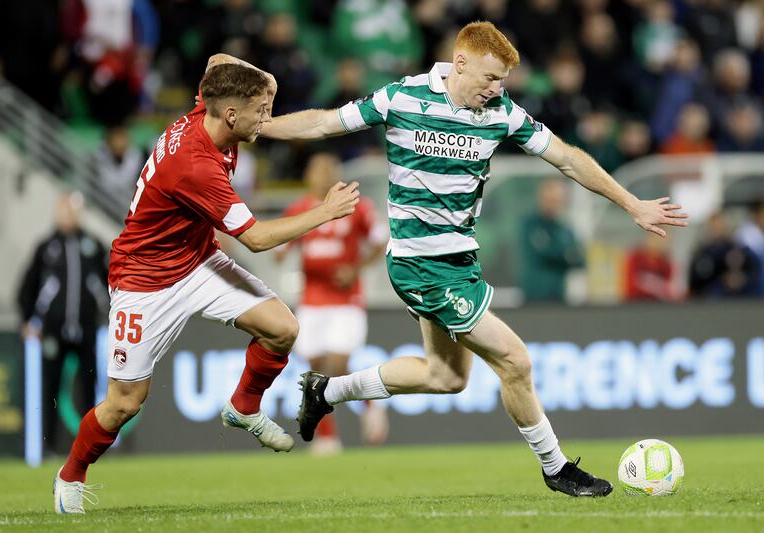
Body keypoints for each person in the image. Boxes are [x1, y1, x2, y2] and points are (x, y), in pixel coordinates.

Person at [259, 21, 688, 497]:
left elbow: (566, 158)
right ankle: (556, 467)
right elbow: (323, 122)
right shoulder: (401, 98)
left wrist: (632, 203)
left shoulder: (503, 112)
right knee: (516, 362)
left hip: (460, 261)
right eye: (489, 78)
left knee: (444, 378)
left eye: (502, 80)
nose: (497, 89)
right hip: (420, 263)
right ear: (459, 64)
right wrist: (259, 127)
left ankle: (326, 391)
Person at [53, 59, 361, 514]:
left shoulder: (210, 106)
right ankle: (70, 477)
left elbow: (218, 63)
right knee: (124, 403)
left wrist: (266, 85)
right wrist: (325, 212)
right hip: (144, 279)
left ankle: (243, 406)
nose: (267, 119)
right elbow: (255, 239)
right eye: (261, 110)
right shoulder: (196, 165)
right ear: (232, 115)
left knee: (282, 328)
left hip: (197, 259)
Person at [275, 151, 389, 454]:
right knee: (314, 370)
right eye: (317, 169)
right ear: (307, 176)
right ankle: (328, 436)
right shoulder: (298, 210)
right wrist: (281, 250)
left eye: (329, 169)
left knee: (337, 366)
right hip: (311, 301)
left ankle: (368, 408)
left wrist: (356, 268)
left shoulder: (358, 208)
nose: (323, 175)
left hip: (346, 300)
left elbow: (380, 240)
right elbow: (279, 247)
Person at [18, 192, 109, 456]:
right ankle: (48, 446)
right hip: (53, 333)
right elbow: (27, 288)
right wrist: (28, 320)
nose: (69, 215)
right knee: (50, 390)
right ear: (57, 213)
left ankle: (91, 447)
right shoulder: (46, 248)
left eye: (73, 210)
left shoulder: (93, 246)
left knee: (89, 390)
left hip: (87, 331)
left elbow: (109, 285)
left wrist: (112, 315)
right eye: (65, 210)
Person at [519, 178, 584, 303]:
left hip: (559, 296)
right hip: (534, 298)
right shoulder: (530, 225)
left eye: (557, 201)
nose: (553, 204)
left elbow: (580, 259)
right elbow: (544, 252)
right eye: (550, 199)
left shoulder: (564, 228)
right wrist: (565, 255)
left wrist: (562, 254)